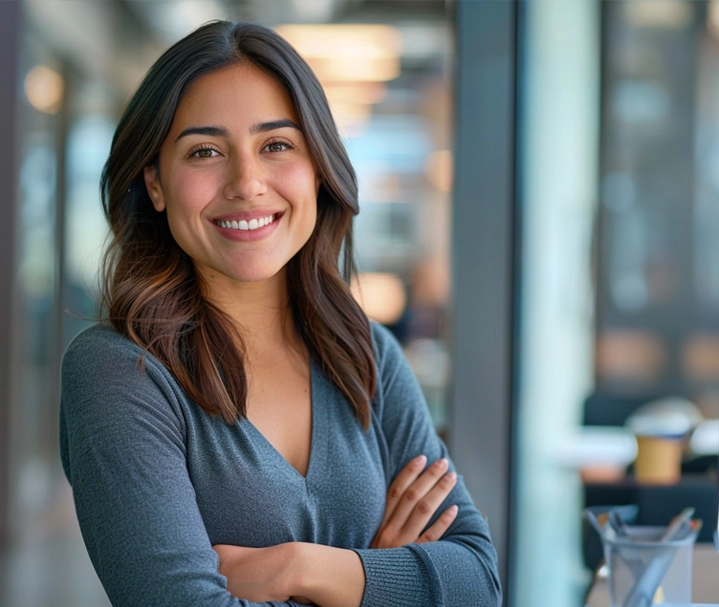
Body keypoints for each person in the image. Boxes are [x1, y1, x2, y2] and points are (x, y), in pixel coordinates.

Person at [58, 21, 501, 607]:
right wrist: (380, 574)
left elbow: (478, 582)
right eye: (206, 151)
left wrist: (303, 569)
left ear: (317, 168)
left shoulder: (366, 354)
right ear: (156, 183)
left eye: (276, 145)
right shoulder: (121, 373)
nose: (247, 183)